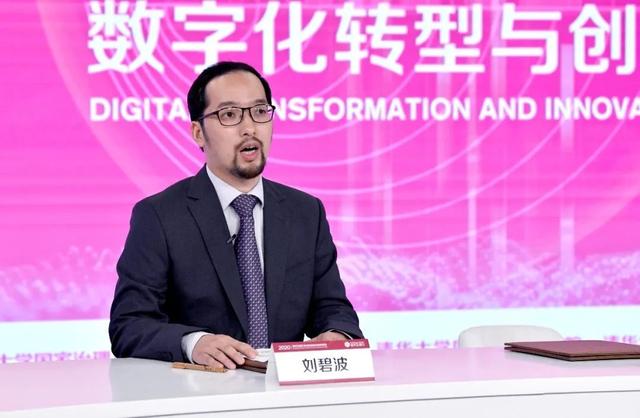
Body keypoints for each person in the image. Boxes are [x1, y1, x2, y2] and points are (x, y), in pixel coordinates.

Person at [109, 61, 362, 370]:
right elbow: (129, 326)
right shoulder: (160, 216)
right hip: (199, 392)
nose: (249, 128)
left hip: (285, 390)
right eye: (229, 115)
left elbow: (333, 308)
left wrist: (337, 335)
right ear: (198, 133)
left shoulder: (306, 212)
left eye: (259, 111)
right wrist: (193, 343)